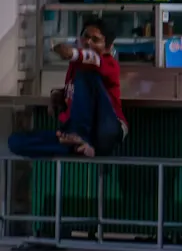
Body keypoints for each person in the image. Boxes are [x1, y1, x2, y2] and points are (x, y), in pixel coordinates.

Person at [7, 18, 126, 158]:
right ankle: (79, 147)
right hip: (73, 132)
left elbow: (92, 61)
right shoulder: (76, 66)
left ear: (108, 47)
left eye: (95, 39)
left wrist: (73, 53)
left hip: (106, 129)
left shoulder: (109, 64)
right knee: (15, 142)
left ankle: (80, 137)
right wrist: (60, 94)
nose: (88, 42)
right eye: (86, 37)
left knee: (86, 71)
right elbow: (82, 93)